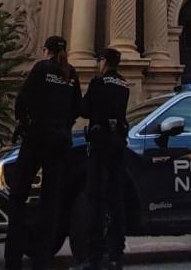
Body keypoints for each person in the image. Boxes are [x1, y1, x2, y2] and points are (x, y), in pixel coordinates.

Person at [5, 36, 82, 270]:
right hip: (60, 141)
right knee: (52, 200)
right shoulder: (71, 74)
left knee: (18, 196)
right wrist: (64, 126)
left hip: (36, 138)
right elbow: (78, 107)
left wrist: (26, 123)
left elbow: (23, 100)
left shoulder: (41, 68)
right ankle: (43, 259)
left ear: (46, 50)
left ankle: (13, 259)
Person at [80, 48, 130, 270]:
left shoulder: (98, 83)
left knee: (96, 198)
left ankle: (94, 256)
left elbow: (84, 110)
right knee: (117, 198)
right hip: (119, 143)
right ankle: (116, 254)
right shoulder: (125, 85)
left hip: (100, 145)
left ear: (103, 62)